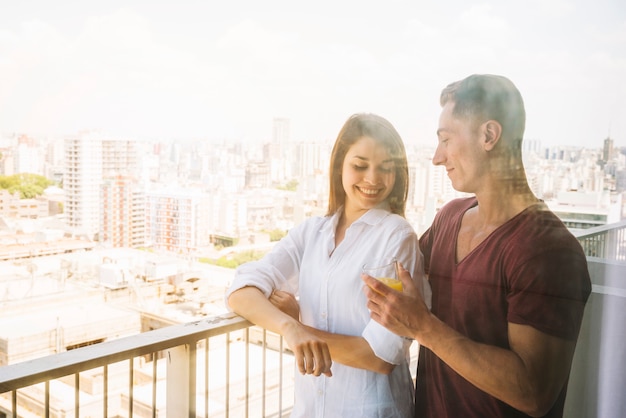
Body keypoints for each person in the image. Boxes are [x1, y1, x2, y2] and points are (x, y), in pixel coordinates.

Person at [363, 74, 592, 418]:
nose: (437, 157)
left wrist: (424, 328)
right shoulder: (449, 217)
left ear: (488, 135)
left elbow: (534, 392)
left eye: (445, 139)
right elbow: (393, 274)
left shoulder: (550, 251)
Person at [226, 113, 427, 417]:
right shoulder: (312, 233)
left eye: (386, 168)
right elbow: (241, 289)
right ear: (339, 167)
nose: (373, 179)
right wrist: (289, 328)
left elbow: (381, 355)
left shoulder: (396, 237)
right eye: (360, 166)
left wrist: (304, 330)